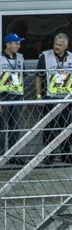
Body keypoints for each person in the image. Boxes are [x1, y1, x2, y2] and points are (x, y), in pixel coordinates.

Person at [36, 33, 72, 165]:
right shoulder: (45, 56)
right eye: (55, 44)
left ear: (66, 46)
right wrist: (38, 97)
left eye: (60, 45)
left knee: (67, 127)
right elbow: (38, 76)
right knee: (49, 128)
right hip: (51, 97)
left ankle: (66, 154)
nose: (57, 47)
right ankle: (48, 156)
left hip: (67, 98)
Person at [0, 33, 26, 164]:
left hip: (16, 95)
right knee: (2, 127)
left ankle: (14, 155)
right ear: (8, 44)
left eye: (19, 43)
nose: (18, 46)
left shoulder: (20, 58)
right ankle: (1, 156)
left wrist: (22, 97)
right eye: (16, 43)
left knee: (15, 126)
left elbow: (22, 76)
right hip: (2, 96)